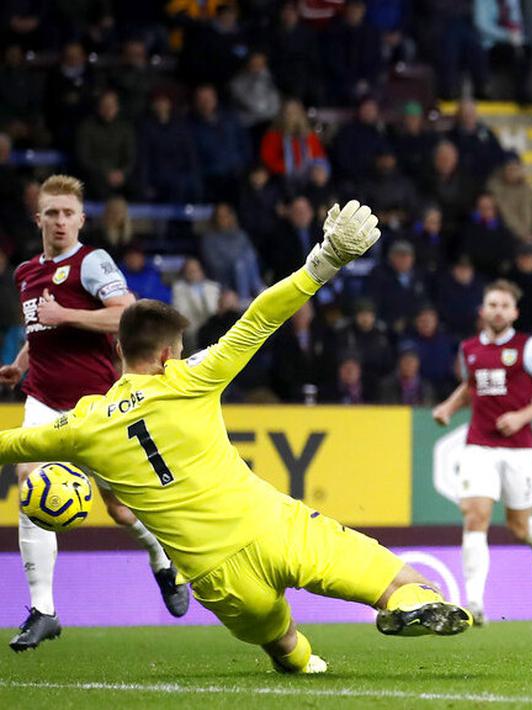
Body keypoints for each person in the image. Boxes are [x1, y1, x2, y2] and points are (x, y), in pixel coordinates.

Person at [0, 200, 472, 671]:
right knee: (394, 580)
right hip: (272, 528)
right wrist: (323, 261)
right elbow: (261, 316)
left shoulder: (84, 424)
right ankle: (407, 602)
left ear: (118, 347)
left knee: (281, 641)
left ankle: (301, 659)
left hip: (216, 575)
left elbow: (13, 444)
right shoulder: (190, 377)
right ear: (168, 353)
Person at [1, 175, 189, 652]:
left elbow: (126, 314)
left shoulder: (92, 262)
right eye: (52, 213)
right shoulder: (26, 273)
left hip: (96, 404)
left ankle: (162, 559)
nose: (60, 221)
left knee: (123, 510)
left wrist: (68, 315)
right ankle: (44, 610)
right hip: (43, 398)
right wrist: (20, 365)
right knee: (32, 486)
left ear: (82, 220)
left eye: (69, 213)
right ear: (38, 218)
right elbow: (39, 329)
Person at [431, 280, 532, 626]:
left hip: (519, 449)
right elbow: (471, 387)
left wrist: (521, 416)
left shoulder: (528, 347)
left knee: (518, 526)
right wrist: (448, 406)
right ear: (483, 311)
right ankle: (474, 603)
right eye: (492, 304)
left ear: (515, 312)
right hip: (479, 445)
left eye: (505, 305)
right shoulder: (469, 349)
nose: (498, 310)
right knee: (475, 515)